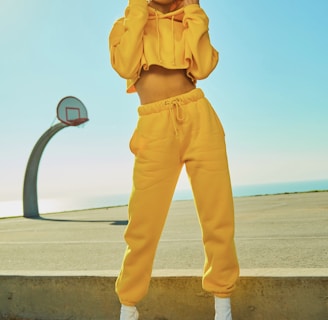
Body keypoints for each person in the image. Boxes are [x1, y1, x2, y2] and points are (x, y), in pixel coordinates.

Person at [109, 1, 239, 319]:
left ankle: (223, 303)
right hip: (154, 126)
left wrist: (194, 11)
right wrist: (138, 9)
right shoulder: (124, 24)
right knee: (142, 223)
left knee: (218, 217)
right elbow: (126, 67)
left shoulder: (188, 21)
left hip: (198, 116)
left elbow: (204, 67)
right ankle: (129, 306)